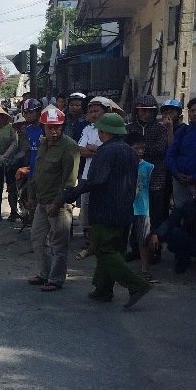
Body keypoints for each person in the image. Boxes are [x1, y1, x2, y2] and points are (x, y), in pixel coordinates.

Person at [63, 113, 151, 309]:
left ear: (105, 132)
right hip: (125, 209)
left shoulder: (106, 152)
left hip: (106, 209)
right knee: (114, 250)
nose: (99, 134)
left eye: (100, 131)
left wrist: (71, 193)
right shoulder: (130, 152)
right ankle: (103, 289)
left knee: (104, 251)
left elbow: (96, 180)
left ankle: (137, 285)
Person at [24, 107, 79, 291]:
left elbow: (69, 180)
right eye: (50, 127)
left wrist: (57, 203)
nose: (54, 131)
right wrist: (31, 195)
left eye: (57, 127)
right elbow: (36, 171)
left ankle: (56, 279)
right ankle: (44, 273)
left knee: (59, 244)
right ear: (43, 127)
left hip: (59, 204)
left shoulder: (69, 146)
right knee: (38, 239)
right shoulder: (42, 143)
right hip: (41, 201)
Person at [126, 95, 168, 234]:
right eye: (143, 110)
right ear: (136, 111)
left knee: (156, 214)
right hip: (133, 179)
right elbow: (124, 149)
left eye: (151, 111)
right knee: (134, 213)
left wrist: (137, 149)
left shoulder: (160, 129)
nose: (147, 114)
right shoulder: (128, 128)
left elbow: (160, 149)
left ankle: (155, 243)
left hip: (156, 178)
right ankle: (136, 243)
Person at [76, 97, 110, 257]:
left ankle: (103, 242)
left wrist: (93, 148)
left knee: (104, 209)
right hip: (88, 175)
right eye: (91, 111)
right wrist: (100, 150)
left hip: (108, 177)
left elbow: (111, 150)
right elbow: (80, 150)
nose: (94, 114)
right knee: (87, 209)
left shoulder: (113, 129)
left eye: (97, 111)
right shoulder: (87, 129)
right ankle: (91, 242)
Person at [165, 97, 196, 209]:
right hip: (180, 180)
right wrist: (176, 173)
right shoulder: (182, 131)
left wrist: (195, 176)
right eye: (192, 110)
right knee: (181, 210)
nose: (195, 114)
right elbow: (171, 154)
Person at [123, 133, 154, 279]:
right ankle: (120, 268)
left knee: (143, 240)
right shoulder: (123, 165)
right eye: (137, 148)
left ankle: (145, 268)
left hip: (142, 207)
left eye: (142, 148)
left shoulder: (148, 167)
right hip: (126, 206)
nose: (140, 151)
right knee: (123, 238)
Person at [21, 99, 43, 176]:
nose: (28, 116)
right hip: (30, 172)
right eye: (25, 113)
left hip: (44, 172)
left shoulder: (46, 129)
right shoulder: (27, 130)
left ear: (38, 112)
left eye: (31, 112)